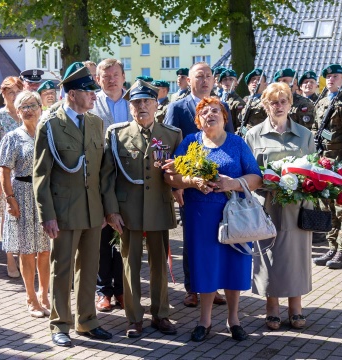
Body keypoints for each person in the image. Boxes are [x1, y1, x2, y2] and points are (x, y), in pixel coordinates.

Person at [163, 97, 262, 342]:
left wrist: (234, 183)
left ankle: (234, 319)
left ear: (224, 117)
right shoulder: (190, 142)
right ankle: (204, 321)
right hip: (200, 215)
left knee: (233, 264)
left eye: (215, 110)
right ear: (198, 121)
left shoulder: (237, 143)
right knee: (205, 266)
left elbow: (256, 178)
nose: (210, 114)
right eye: (204, 112)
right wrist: (191, 181)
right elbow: (170, 176)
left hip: (234, 215)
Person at [34, 66, 112, 347]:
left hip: (92, 210)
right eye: (89, 92)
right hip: (64, 211)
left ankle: (87, 321)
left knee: (90, 268)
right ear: (73, 93)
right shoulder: (51, 124)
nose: (94, 96)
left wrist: (104, 208)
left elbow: (101, 171)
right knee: (62, 270)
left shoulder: (94, 122)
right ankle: (60, 325)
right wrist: (48, 215)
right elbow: (41, 174)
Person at [101, 80, 182, 338]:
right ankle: (134, 318)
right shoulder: (116, 134)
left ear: (157, 105)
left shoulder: (172, 134)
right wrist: (111, 210)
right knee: (130, 265)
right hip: (128, 211)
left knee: (159, 266)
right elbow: (107, 176)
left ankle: (161, 315)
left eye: (147, 101)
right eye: (136, 102)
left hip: (159, 206)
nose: (142, 106)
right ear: (130, 106)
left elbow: (178, 175)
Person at [245, 82, 315, 330]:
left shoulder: (305, 135)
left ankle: (296, 306)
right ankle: (271, 306)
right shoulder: (253, 135)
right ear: (265, 105)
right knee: (268, 255)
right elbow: (249, 172)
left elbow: (313, 172)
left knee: (296, 257)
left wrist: (302, 184)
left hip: (296, 207)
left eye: (283, 101)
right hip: (267, 206)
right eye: (273, 102)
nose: (279, 106)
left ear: (291, 104)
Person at [164, 61, 234, 307]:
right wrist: (177, 185)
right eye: (198, 76)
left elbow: (231, 140)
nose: (204, 80)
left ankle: (212, 287)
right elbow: (172, 150)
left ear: (214, 80)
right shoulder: (177, 108)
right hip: (190, 186)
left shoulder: (221, 106)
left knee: (216, 237)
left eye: (208, 76)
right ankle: (193, 288)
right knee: (193, 238)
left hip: (218, 186)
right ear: (189, 80)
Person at [0, 90, 51, 317]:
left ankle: (44, 295)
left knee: (45, 250)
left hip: (46, 195)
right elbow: (4, 170)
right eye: (23, 107)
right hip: (21, 194)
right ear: (17, 112)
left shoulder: (48, 134)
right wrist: (9, 199)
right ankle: (31, 299)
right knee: (27, 251)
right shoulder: (12, 137)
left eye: (33, 105)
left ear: (41, 108)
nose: (29, 110)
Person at [311, 64, 342, 269]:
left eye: (335, 76)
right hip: (323, 162)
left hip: (340, 163)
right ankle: (332, 247)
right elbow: (316, 127)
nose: (331, 80)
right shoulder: (322, 102)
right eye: (328, 77)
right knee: (328, 208)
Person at [90, 58, 129, 312]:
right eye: (106, 76)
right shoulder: (90, 103)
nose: (111, 79)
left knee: (125, 235)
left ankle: (123, 290)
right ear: (98, 79)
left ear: (124, 77)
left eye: (116, 75)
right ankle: (103, 291)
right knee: (103, 235)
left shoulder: (135, 100)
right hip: (98, 178)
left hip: (128, 179)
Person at [0, 76, 24, 277]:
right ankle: (10, 258)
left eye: (18, 92)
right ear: (3, 95)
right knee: (8, 218)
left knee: (25, 217)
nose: (15, 96)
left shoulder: (27, 113)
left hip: (26, 175)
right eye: (11, 93)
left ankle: (24, 257)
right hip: (5, 175)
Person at [238, 69, 268, 133]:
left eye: (259, 79)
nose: (255, 81)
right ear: (248, 85)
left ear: (265, 85)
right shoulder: (244, 101)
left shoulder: (267, 101)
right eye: (253, 79)